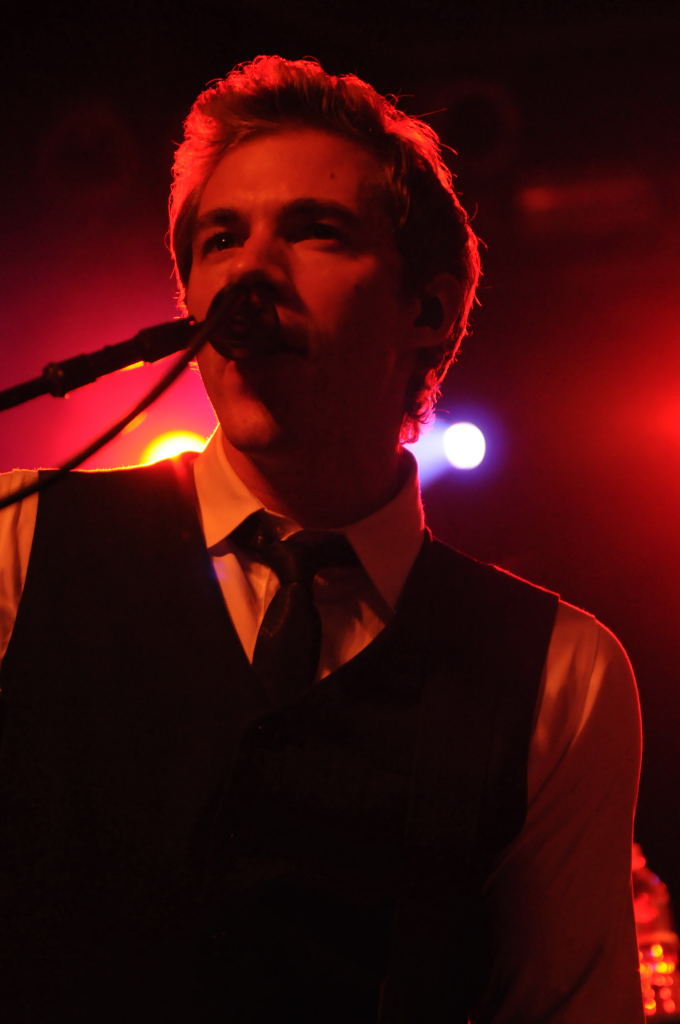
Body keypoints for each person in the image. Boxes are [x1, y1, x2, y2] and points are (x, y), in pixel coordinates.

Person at [0, 56, 643, 1022]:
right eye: (222, 238)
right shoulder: (17, 545)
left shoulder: (560, 672)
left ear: (427, 310)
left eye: (314, 231)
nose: (249, 272)